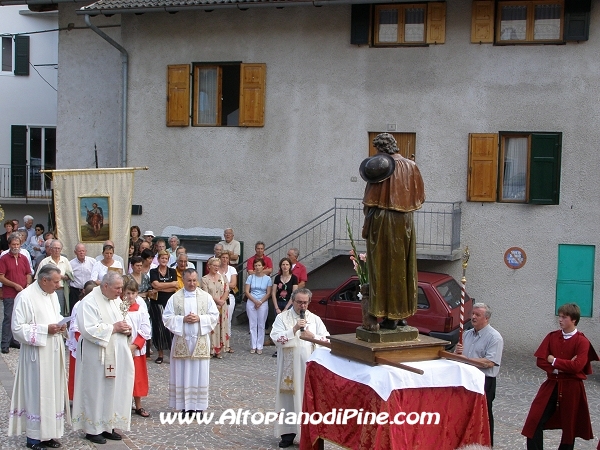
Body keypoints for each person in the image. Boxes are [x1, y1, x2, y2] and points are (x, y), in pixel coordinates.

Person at [361, 132, 425, 330]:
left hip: (382, 220)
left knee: (381, 267)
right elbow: (420, 197)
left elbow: (370, 201)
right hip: (405, 221)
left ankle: (386, 315)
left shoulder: (381, 167)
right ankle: (401, 314)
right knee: (403, 268)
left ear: (381, 149)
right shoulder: (412, 166)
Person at [522, 303, 599, 450]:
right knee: (534, 421)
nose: (560, 319)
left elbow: (577, 366)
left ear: (574, 320)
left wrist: (554, 360)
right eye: (560, 316)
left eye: (564, 317)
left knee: (570, 428)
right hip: (552, 384)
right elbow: (541, 360)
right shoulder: (552, 337)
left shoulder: (582, 341)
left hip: (572, 387)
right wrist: (562, 367)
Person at [8, 266, 69, 450]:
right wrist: (45, 330)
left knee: (53, 393)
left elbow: (54, 316)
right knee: (38, 393)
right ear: (44, 280)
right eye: (56, 281)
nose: (59, 285)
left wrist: (61, 326)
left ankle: (49, 433)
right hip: (36, 355)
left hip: (53, 351)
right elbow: (17, 329)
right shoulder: (25, 297)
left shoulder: (51, 295)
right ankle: (34, 437)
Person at [71, 272, 134, 445]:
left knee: (113, 388)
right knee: (95, 389)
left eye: (121, 287)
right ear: (105, 286)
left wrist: (128, 330)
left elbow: (125, 321)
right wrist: (113, 328)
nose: (121, 292)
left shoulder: (116, 300)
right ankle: (92, 429)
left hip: (116, 353)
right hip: (96, 355)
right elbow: (88, 329)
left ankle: (109, 425)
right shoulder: (89, 302)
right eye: (117, 288)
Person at [270, 288, 329, 448]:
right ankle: (288, 434)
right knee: (288, 400)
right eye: (299, 302)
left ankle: (308, 435)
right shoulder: (283, 318)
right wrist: (294, 329)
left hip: (309, 369)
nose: (302, 306)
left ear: (309, 302)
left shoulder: (315, 319)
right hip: (289, 370)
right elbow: (275, 338)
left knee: (308, 401)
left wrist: (314, 337)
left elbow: (327, 340)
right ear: (293, 301)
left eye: (305, 302)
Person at [163, 268, 219, 416]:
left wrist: (200, 318)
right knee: (182, 373)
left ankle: (198, 407)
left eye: (194, 280)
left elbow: (214, 315)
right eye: (189, 280)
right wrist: (182, 319)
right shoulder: (175, 298)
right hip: (182, 341)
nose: (192, 283)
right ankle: (183, 406)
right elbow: (167, 317)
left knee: (199, 373)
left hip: (199, 341)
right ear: (184, 280)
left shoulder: (205, 297)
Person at [455, 303, 504, 446]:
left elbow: (489, 362)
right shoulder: (466, 334)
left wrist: (467, 360)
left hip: (484, 380)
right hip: (466, 379)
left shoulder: (494, 337)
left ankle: (487, 444)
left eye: (477, 315)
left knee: (484, 414)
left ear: (486, 318)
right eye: (473, 314)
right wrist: (457, 353)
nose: (473, 317)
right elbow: (457, 356)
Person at [122, 278, 152, 418]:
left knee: (137, 377)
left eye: (133, 293)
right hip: (122, 348)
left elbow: (146, 328)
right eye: (127, 293)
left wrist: (134, 346)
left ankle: (138, 405)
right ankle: (123, 404)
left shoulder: (140, 309)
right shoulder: (119, 308)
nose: (130, 296)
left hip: (136, 349)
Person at [0, 234, 33, 353]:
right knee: (8, 317)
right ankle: (4, 343)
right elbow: (1, 277)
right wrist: (14, 285)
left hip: (23, 293)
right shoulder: (4, 259)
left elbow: (28, 274)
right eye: (13, 244)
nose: (15, 246)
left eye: (17, 244)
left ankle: (14, 340)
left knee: (20, 317)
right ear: (9, 245)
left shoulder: (23, 258)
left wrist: (28, 284)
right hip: (9, 293)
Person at [67, 280, 96, 401]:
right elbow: (76, 327)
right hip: (80, 344)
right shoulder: (79, 305)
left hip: (92, 343)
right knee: (77, 372)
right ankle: (75, 398)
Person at [149, 250, 178, 364]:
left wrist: (161, 287)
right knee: (159, 328)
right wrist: (166, 285)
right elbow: (155, 284)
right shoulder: (153, 271)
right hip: (157, 303)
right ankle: (160, 354)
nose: (164, 260)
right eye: (162, 258)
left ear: (168, 259)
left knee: (170, 328)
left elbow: (175, 287)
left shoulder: (172, 271)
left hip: (169, 303)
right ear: (158, 259)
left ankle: (172, 353)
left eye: (166, 258)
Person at [35, 239, 73, 315]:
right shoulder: (44, 262)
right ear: (50, 249)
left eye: (58, 248)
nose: (56, 250)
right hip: (47, 291)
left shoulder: (65, 260)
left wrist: (61, 277)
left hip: (61, 290)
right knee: (48, 312)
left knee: (61, 312)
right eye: (54, 248)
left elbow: (71, 275)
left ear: (61, 250)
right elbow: (37, 278)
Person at [201, 257, 229, 358]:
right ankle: (211, 349)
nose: (216, 267)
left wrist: (222, 301)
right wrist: (217, 301)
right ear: (209, 266)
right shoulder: (204, 279)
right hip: (211, 305)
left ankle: (219, 350)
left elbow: (227, 290)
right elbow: (205, 293)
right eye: (214, 265)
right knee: (212, 327)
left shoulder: (223, 277)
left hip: (222, 305)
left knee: (221, 326)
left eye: (218, 265)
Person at [267, 257, 299, 342]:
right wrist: (276, 307)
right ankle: (278, 346)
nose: (285, 266)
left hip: (289, 304)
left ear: (290, 266)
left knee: (287, 326)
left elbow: (294, 294)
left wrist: (286, 308)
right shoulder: (277, 278)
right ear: (280, 266)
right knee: (278, 326)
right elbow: (273, 292)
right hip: (278, 304)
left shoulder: (294, 278)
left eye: (287, 264)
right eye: (283, 264)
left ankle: (287, 344)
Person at [245, 258, 272, 354]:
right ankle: (253, 345)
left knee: (261, 325)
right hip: (252, 301)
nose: (257, 267)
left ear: (263, 266)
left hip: (263, 302)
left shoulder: (268, 278)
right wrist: (254, 301)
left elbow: (268, 293)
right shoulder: (251, 277)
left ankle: (260, 346)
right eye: (255, 265)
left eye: (259, 265)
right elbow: (247, 291)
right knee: (252, 324)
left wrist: (260, 302)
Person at [218, 251, 237, 349]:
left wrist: (221, 284)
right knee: (217, 320)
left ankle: (227, 343)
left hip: (229, 296)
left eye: (226, 258)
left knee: (227, 319)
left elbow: (233, 284)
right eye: (223, 257)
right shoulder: (216, 269)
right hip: (217, 297)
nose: (225, 260)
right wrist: (226, 284)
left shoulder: (232, 269)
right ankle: (218, 343)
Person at [69, 243, 96, 311]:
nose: (81, 253)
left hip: (89, 291)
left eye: (83, 251)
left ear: (86, 251)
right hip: (75, 291)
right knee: (75, 309)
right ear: (75, 252)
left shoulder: (93, 261)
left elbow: (96, 276)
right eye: (79, 251)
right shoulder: (71, 263)